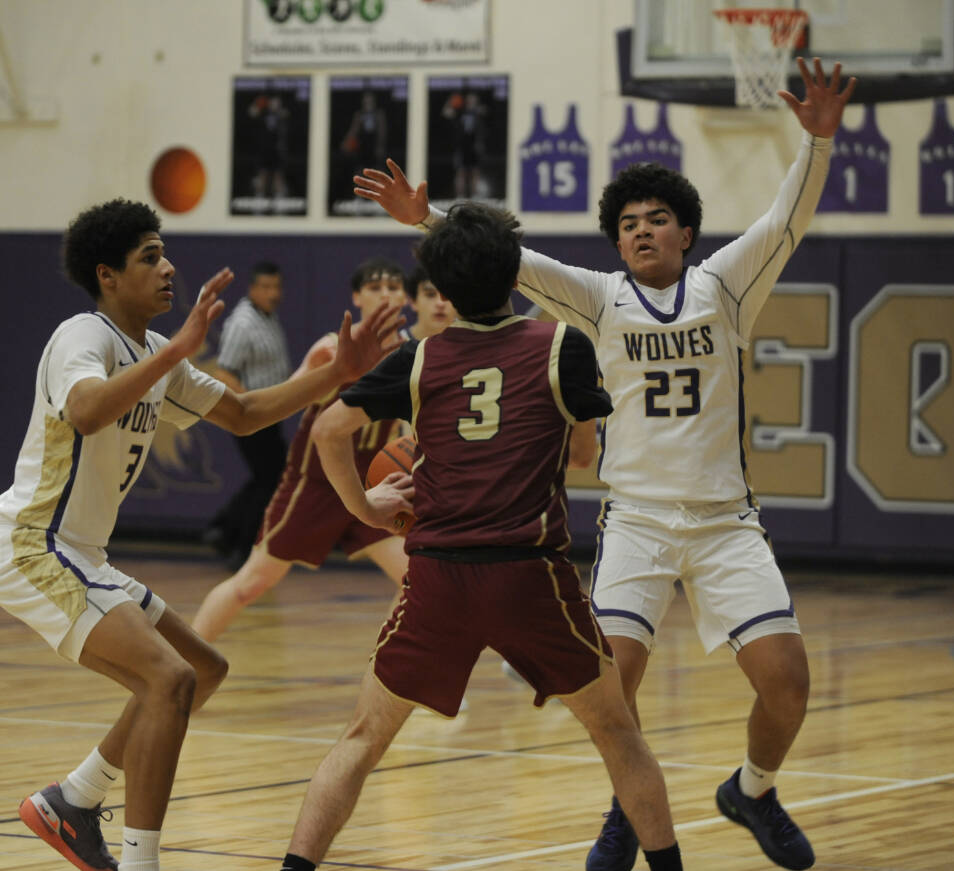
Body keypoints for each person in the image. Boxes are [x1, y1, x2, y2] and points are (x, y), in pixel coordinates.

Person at [352, 57, 856, 871]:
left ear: (686, 232)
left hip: (727, 524)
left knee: (788, 681)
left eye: (658, 218)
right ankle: (628, 812)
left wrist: (819, 144)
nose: (642, 229)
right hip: (638, 522)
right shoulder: (595, 297)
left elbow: (785, 222)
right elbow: (500, 261)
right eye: (628, 222)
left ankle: (753, 790)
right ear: (615, 239)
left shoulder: (725, 287)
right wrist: (426, 217)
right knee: (614, 687)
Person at [0, 198, 400, 871]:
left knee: (204, 670)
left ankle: (75, 799)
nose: (169, 265)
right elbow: (87, 411)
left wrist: (334, 375)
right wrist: (177, 349)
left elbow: (240, 412)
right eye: (150, 256)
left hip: (85, 555)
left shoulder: (153, 353)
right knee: (169, 679)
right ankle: (140, 861)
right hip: (35, 548)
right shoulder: (80, 337)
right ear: (108, 275)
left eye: (164, 251)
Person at [277, 202, 683, 871]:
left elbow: (327, 431)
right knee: (617, 730)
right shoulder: (562, 345)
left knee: (363, 736)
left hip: (437, 574)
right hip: (530, 573)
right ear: (514, 274)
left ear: (441, 287)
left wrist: (371, 509)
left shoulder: (419, 357)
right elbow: (582, 455)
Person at [190, 257, 414, 644]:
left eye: (393, 287)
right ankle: (187, 661)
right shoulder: (331, 349)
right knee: (251, 584)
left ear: (406, 298)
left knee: (417, 580)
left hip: (370, 487)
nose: (386, 295)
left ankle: (392, 672)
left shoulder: (412, 352)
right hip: (313, 486)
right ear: (357, 297)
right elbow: (284, 399)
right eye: (375, 288)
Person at [203, 261, 292, 569]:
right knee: (271, 478)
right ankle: (240, 546)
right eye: (266, 287)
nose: (273, 293)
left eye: (277, 286)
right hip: (254, 415)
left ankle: (224, 529)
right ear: (253, 289)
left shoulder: (266, 317)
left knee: (267, 477)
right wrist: (247, 409)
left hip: (270, 414)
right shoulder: (242, 323)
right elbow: (224, 372)